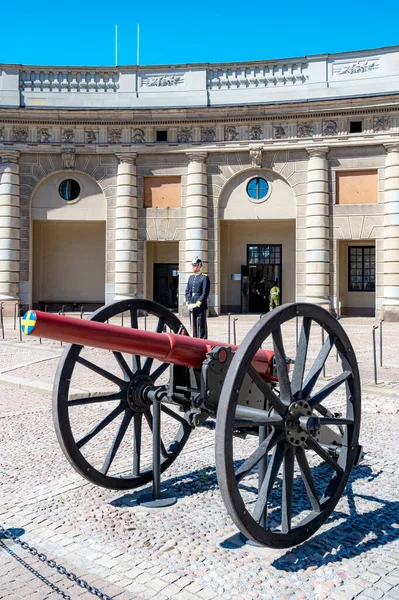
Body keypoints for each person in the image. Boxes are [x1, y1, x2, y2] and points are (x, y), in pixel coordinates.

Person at [185, 257, 210, 338]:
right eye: (193, 265)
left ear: (200, 266)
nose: (193, 267)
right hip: (191, 303)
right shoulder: (191, 277)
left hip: (200, 305)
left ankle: (203, 340)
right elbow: (187, 292)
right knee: (193, 324)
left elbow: (205, 292)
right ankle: (194, 339)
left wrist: (198, 303)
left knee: (201, 324)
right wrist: (188, 303)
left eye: (195, 265)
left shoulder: (204, 277)